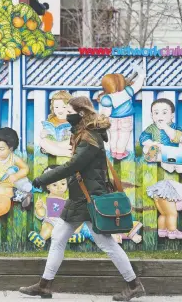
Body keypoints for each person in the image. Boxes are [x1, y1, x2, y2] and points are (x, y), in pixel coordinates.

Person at [19, 96, 145, 302]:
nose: (65, 114)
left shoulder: (89, 138)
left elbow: (72, 166)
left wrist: (42, 179)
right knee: (59, 238)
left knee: (106, 244)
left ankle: (134, 285)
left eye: (69, 111)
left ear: (81, 113)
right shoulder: (85, 134)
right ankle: (44, 285)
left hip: (88, 199)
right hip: (81, 197)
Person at [98, 63, 146, 160]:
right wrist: (141, 76)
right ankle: (120, 153)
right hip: (125, 118)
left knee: (113, 136)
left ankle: (114, 152)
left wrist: (102, 117)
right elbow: (138, 85)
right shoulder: (127, 92)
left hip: (112, 120)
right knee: (124, 136)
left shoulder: (107, 98)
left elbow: (106, 112)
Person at [0, 127, 33, 209]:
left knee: (6, 190)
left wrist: (16, 176)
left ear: (10, 148)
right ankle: (19, 197)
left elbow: (25, 168)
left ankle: (24, 196)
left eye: (1, 149)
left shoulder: (14, 158)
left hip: (13, 183)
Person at [40, 90, 72, 157]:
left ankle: (57, 151)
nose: (60, 110)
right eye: (56, 107)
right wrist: (43, 134)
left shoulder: (72, 119)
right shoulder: (51, 120)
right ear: (53, 107)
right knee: (43, 142)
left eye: (64, 107)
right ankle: (63, 152)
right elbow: (48, 137)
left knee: (70, 142)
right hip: (55, 144)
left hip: (67, 143)